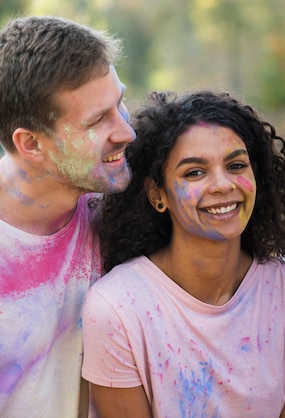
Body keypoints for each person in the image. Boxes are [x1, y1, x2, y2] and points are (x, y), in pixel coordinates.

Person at [81, 90, 285, 417]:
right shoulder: (117, 307)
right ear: (158, 195)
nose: (223, 185)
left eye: (236, 165)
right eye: (195, 172)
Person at [0, 16, 135, 417]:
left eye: (119, 102)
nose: (126, 131)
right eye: (97, 120)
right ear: (31, 144)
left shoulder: (114, 212)